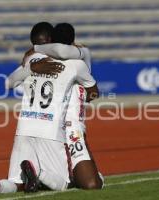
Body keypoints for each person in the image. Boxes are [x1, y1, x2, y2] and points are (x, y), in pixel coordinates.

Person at [0, 22, 99, 195]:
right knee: (66, 183)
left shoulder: (32, 59)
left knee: (17, 182)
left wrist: (32, 62)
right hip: (52, 130)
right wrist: (82, 99)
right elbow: (93, 92)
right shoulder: (75, 63)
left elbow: (8, 82)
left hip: (24, 128)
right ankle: (39, 173)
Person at [30, 23, 104, 189]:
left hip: (59, 127)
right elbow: (93, 93)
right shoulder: (73, 58)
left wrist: (34, 48)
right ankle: (40, 174)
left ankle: (43, 174)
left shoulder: (48, 57)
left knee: (80, 180)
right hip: (60, 128)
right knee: (85, 183)